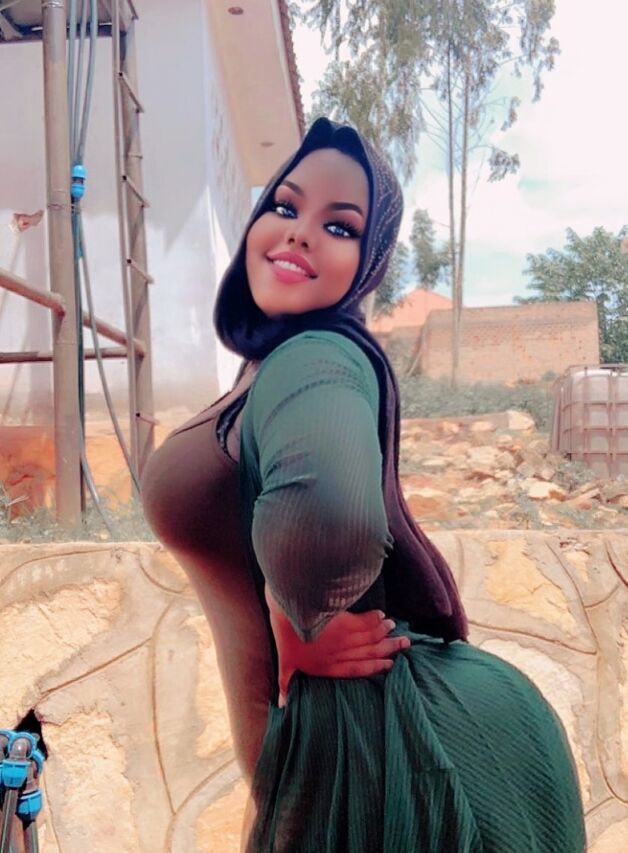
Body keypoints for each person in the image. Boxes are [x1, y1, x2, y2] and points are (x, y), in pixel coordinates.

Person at [141, 118, 586, 852]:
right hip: (356, 748)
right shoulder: (275, 363)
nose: (299, 231)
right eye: (285, 206)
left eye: (339, 226)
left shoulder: (314, 357)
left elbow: (334, 516)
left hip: (390, 761)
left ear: (369, 261)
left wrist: (299, 612)